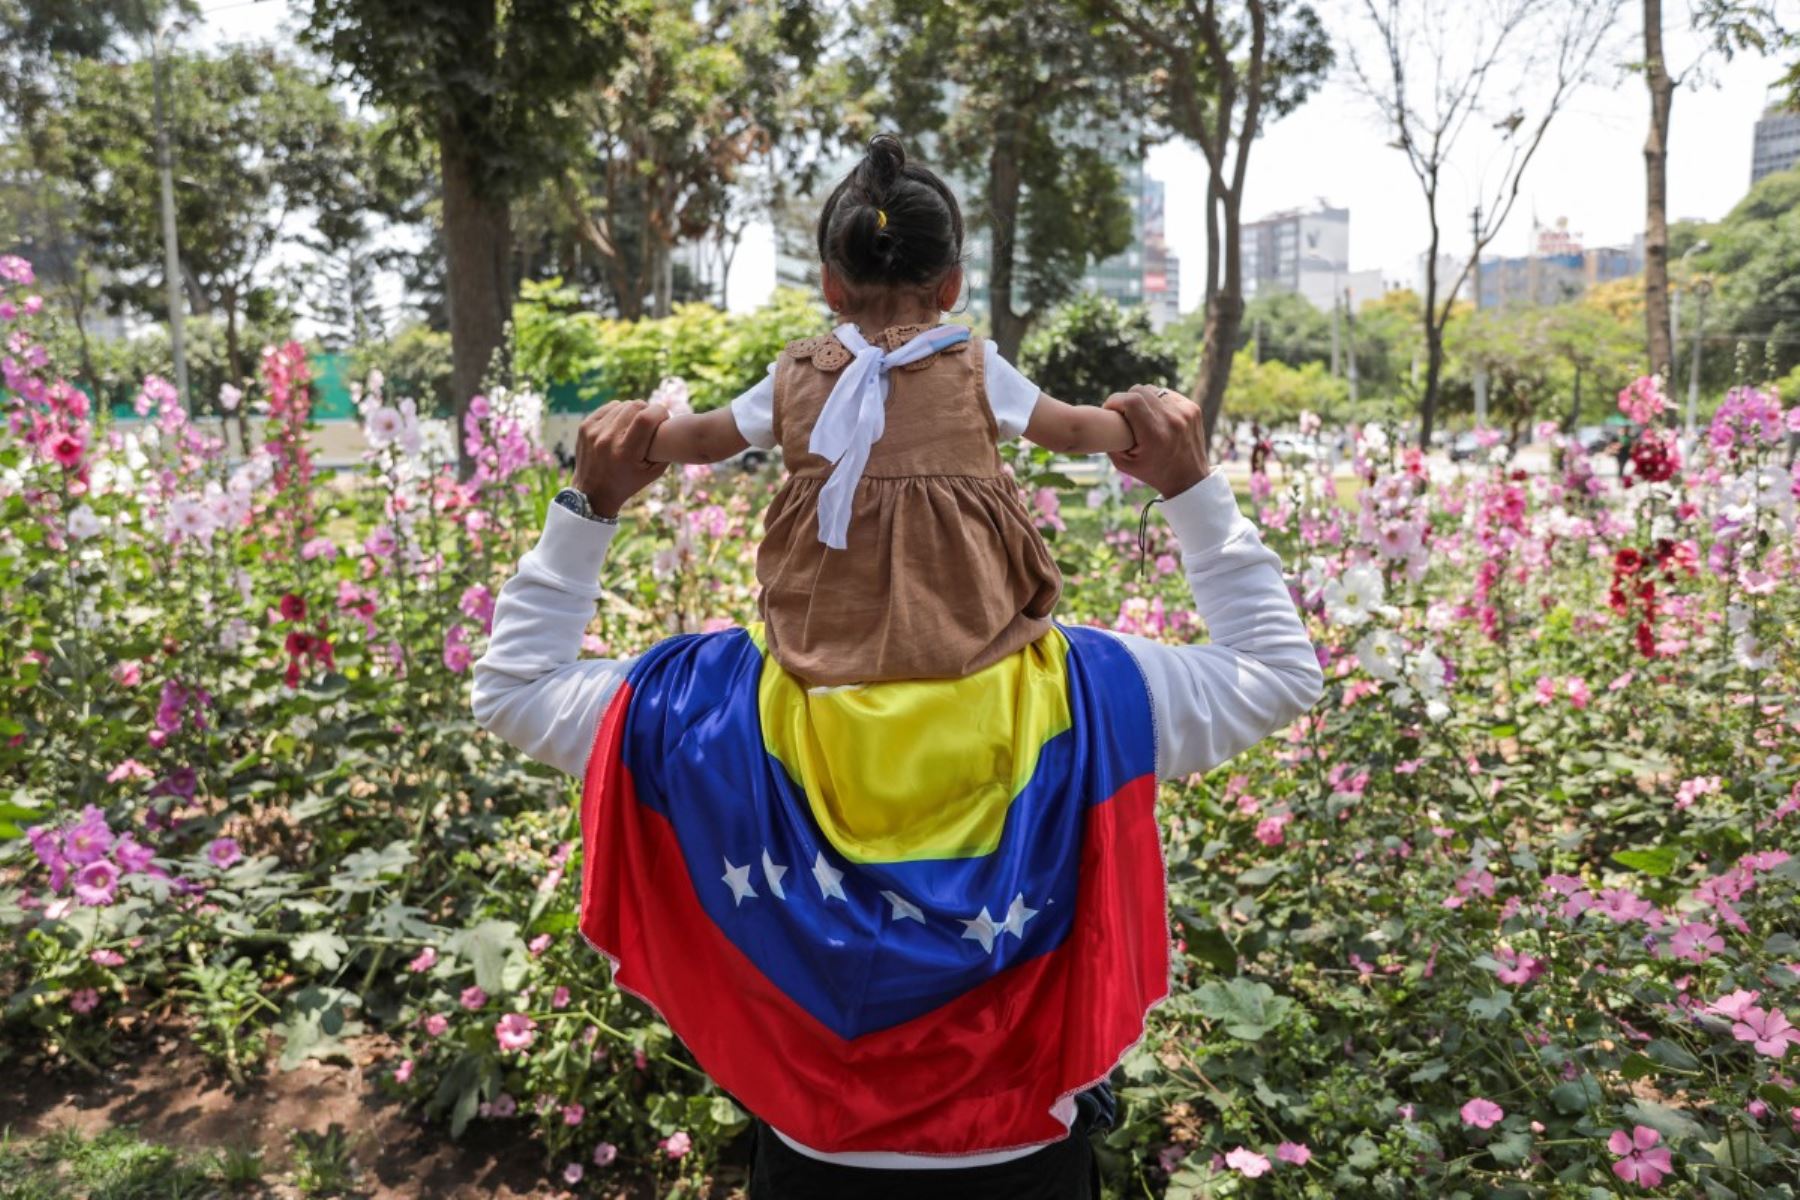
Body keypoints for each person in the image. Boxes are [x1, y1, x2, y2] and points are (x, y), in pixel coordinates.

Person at [472, 140, 1322, 1199]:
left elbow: (511, 687)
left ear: (828, 287)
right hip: (1027, 1166)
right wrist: (1187, 484)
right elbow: (1279, 672)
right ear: (953, 288)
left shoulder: (700, 713)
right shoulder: (1088, 700)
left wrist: (593, 503)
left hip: (813, 1163)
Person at [643, 135, 1134, 686]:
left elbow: (708, 439)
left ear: (831, 284)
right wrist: (1134, 421)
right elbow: (1068, 431)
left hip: (824, 639)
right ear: (951, 285)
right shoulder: (977, 367)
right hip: (966, 632)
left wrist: (643, 434)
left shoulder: (797, 373)